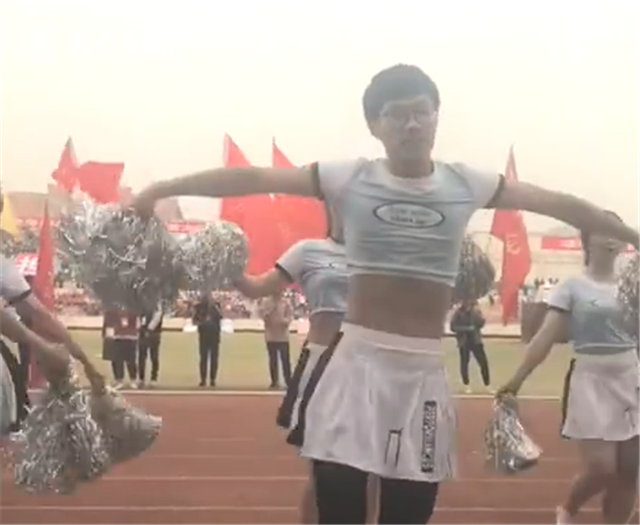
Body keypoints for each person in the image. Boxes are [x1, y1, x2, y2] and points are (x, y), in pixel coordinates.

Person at [133, 64, 638, 524]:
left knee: (407, 514)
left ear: (437, 117)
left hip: (422, 376)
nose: (411, 124)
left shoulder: (466, 183)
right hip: (354, 369)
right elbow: (252, 177)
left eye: (421, 112)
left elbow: (562, 205)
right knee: (340, 511)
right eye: (396, 115)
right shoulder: (350, 177)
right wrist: (158, 190)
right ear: (374, 125)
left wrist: (632, 236)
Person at [498, 216, 638, 525]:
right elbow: (544, 338)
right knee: (602, 468)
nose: (612, 237)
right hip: (591, 381)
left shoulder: (631, 286)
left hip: (631, 379)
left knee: (630, 469)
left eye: (617, 231)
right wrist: (515, 381)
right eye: (604, 230)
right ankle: (568, 509)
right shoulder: (572, 288)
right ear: (587, 239)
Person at [235, 236, 379, 523]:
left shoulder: (379, 250)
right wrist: (223, 265)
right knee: (322, 470)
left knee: (372, 467)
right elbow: (255, 287)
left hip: (369, 366)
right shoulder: (308, 250)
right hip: (321, 365)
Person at [449, 300, 491, 393]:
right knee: (464, 363)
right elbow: (453, 327)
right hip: (464, 341)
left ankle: (487, 384)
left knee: (483, 362)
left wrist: (481, 317)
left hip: (475, 340)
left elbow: (480, 324)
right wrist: (466, 329)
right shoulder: (458, 313)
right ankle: (466, 385)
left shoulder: (475, 311)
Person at [258, 292, 293, 389]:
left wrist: (284, 321)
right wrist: (270, 310)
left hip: (283, 336)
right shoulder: (266, 302)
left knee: (285, 359)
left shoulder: (286, 302)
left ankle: (288, 381)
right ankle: (274, 381)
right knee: (273, 359)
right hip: (271, 335)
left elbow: (290, 316)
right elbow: (262, 315)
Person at [102, 307, 138, 389]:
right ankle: (119, 380)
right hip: (117, 336)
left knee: (131, 360)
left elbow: (137, 321)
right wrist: (108, 336)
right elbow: (108, 322)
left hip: (130, 336)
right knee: (117, 360)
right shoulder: (111, 309)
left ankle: (133, 380)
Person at [192, 293, 222, 387]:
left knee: (214, 359)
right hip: (204, 335)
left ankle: (212, 379)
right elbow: (194, 321)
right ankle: (203, 379)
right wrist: (202, 323)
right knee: (203, 358)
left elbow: (221, 316)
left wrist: (215, 307)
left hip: (214, 335)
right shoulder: (199, 308)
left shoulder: (216, 307)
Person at [138, 305, 163, 388]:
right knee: (142, 357)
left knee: (154, 356)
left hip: (154, 333)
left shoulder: (156, 304)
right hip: (143, 333)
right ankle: (141, 378)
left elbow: (157, 317)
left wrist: (149, 329)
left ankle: (153, 378)